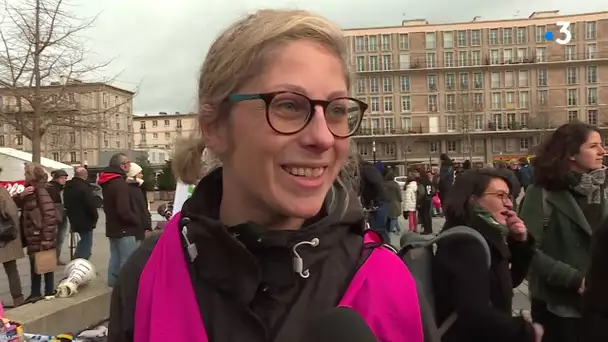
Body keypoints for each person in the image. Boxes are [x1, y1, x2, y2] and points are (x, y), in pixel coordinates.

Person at [108, 9, 426, 342]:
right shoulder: (149, 274)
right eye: (288, 105)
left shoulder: (388, 285)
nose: (323, 137)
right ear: (215, 126)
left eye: (336, 110)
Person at [519, 122, 607, 342]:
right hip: (558, 309)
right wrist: (574, 279)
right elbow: (527, 250)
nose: (602, 151)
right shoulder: (540, 193)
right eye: (593, 146)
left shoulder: (605, 190)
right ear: (571, 154)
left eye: (602, 145)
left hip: (601, 307)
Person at [434, 168, 543, 342]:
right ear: (473, 199)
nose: (509, 203)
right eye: (500, 196)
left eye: (509, 197)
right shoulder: (465, 242)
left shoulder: (487, 236)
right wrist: (525, 331)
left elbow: (506, 283)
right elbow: (474, 312)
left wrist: (520, 242)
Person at [15, 163, 58, 302]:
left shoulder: (40, 190)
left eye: (26, 174)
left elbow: (49, 215)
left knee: (44, 263)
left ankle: (46, 292)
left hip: (39, 234)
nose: (24, 176)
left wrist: (46, 238)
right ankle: (38, 292)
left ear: (31, 176)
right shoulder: (31, 190)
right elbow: (15, 203)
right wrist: (22, 195)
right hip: (35, 234)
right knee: (37, 264)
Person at [98, 153, 140, 287]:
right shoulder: (119, 183)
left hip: (113, 227)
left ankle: (112, 286)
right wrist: (136, 220)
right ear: (122, 166)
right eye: (128, 162)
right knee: (127, 261)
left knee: (115, 258)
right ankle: (125, 289)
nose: (130, 165)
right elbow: (123, 210)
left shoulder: (109, 181)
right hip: (125, 229)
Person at [0, 168, 25, 307]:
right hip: (5, 237)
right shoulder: (1, 192)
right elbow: (12, 212)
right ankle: (18, 299)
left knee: (11, 268)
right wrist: (14, 230)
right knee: (11, 268)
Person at [63, 166, 99, 260]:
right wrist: (95, 217)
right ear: (85, 175)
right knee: (86, 243)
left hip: (73, 218)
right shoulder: (84, 187)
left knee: (80, 241)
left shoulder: (68, 186)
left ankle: (77, 258)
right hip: (85, 219)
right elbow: (90, 204)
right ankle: (81, 262)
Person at [125, 163, 151, 242]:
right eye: (139, 173)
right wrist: (147, 226)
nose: (142, 175)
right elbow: (142, 208)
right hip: (138, 228)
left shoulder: (136, 187)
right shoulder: (134, 189)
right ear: (133, 175)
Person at [47, 169, 68, 264]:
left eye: (65, 178)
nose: (64, 180)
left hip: (62, 215)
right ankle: (52, 258)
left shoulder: (62, 188)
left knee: (60, 238)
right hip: (55, 216)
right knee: (55, 238)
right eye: (63, 178)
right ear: (56, 178)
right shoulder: (51, 188)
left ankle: (56, 258)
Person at [382, 169, 402, 234]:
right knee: (394, 218)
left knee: (393, 217)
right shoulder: (396, 185)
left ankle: (398, 229)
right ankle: (390, 231)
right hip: (395, 203)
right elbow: (399, 194)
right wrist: (400, 199)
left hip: (387, 203)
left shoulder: (384, 184)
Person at [417, 170, 434, 235]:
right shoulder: (429, 181)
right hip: (429, 199)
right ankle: (430, 229)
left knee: (424, 216)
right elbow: (434, 190)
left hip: (423, 200)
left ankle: (426, 230)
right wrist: (430, 195)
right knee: (428, 215)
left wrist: (418, 200)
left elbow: (421, 192)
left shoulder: (421, 182)